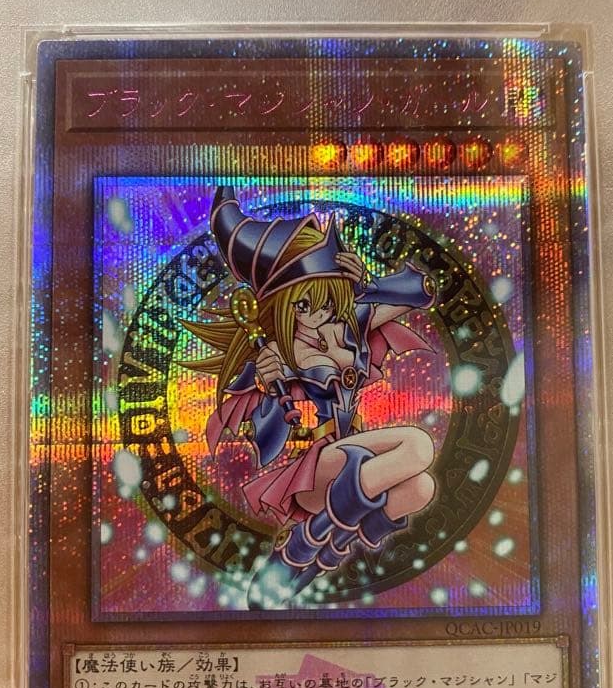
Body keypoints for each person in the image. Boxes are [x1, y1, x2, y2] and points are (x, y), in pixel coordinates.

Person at [183, 186, 438, 609]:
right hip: (316, 468)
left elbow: (419, 292)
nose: (317, 314)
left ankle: (313, 560)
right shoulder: (279, 352)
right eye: (303, 306)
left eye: (325, 302)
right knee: (418, 445)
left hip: (353, 466)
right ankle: (301, 545)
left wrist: (366, 284)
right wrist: (263, 380)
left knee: (421, 488)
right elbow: (248, 405)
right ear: (283, 307)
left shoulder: (349, 325)